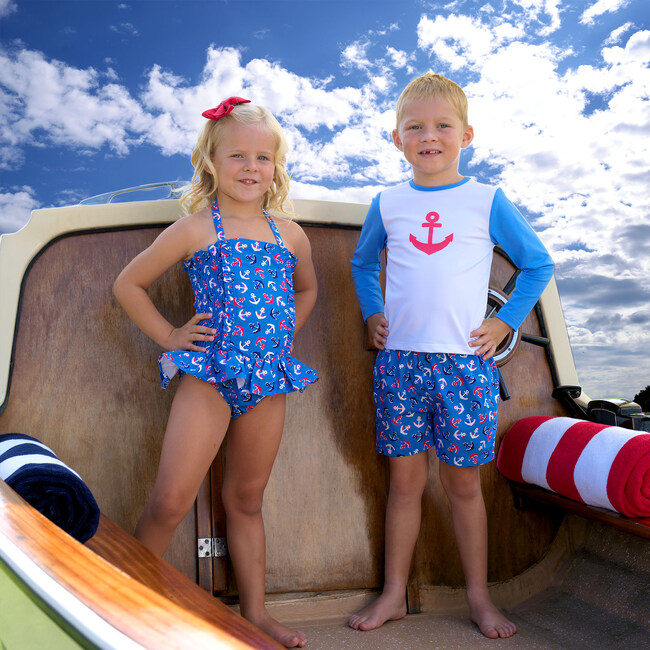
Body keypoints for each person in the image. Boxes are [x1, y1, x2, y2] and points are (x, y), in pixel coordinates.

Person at [348, 73, 554, 639]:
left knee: (464, 486)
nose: (429, 135)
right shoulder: (387, 203)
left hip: (464, 367)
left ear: (467, 134)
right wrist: (372, 313)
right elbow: (364, 264)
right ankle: (393, 594)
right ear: (396, 138)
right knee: (405, 484)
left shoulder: (485, 200)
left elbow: (538, 264)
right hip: (400, 365)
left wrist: (502, 320)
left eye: (442, 125)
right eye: (415, 126)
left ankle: (480, 598)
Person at [113, 97, 318, 648]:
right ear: (210, 161)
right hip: (209, 376)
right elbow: (128, 285)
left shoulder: (290, 235)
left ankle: (256, 614)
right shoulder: (196, 228)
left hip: (269, 380)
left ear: (276, 165)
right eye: (237, 156)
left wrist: (284, 330)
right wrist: (171, 336)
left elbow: (308, 287)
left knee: (247, 501)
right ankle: (120, 604)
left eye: (263, 157)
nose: (251, 168)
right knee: (171, 500)